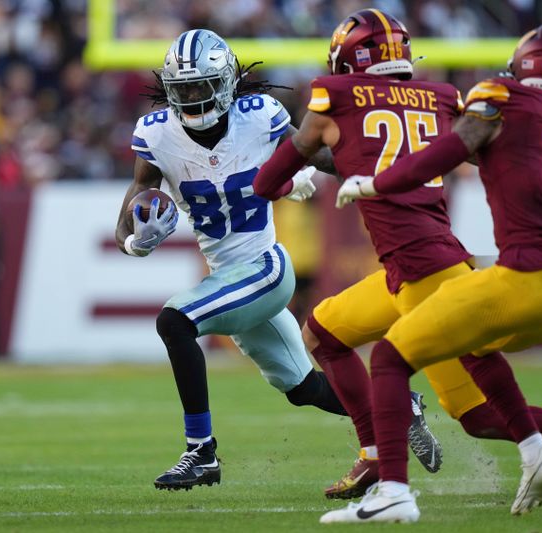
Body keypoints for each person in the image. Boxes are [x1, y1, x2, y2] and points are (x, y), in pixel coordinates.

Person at [329, 24, 542, 522]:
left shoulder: (501, 96)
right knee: (328, 330)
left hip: (477, 273)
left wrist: (375, 182)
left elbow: (437, 153)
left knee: (443, 392)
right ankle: (379, 455)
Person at [114, 29, 436, 492]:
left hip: (266, 269)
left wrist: (371, 171)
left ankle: (200, 452)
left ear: (224, 83)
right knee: (304, 388)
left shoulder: (259, 116)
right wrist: (133, 242)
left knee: (174, 321)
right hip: (230, 278)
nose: (190, 98)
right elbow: (134, 200)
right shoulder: (155, 133)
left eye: (200, 86)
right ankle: (400, 408)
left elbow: (318, 154)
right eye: (181, 89)